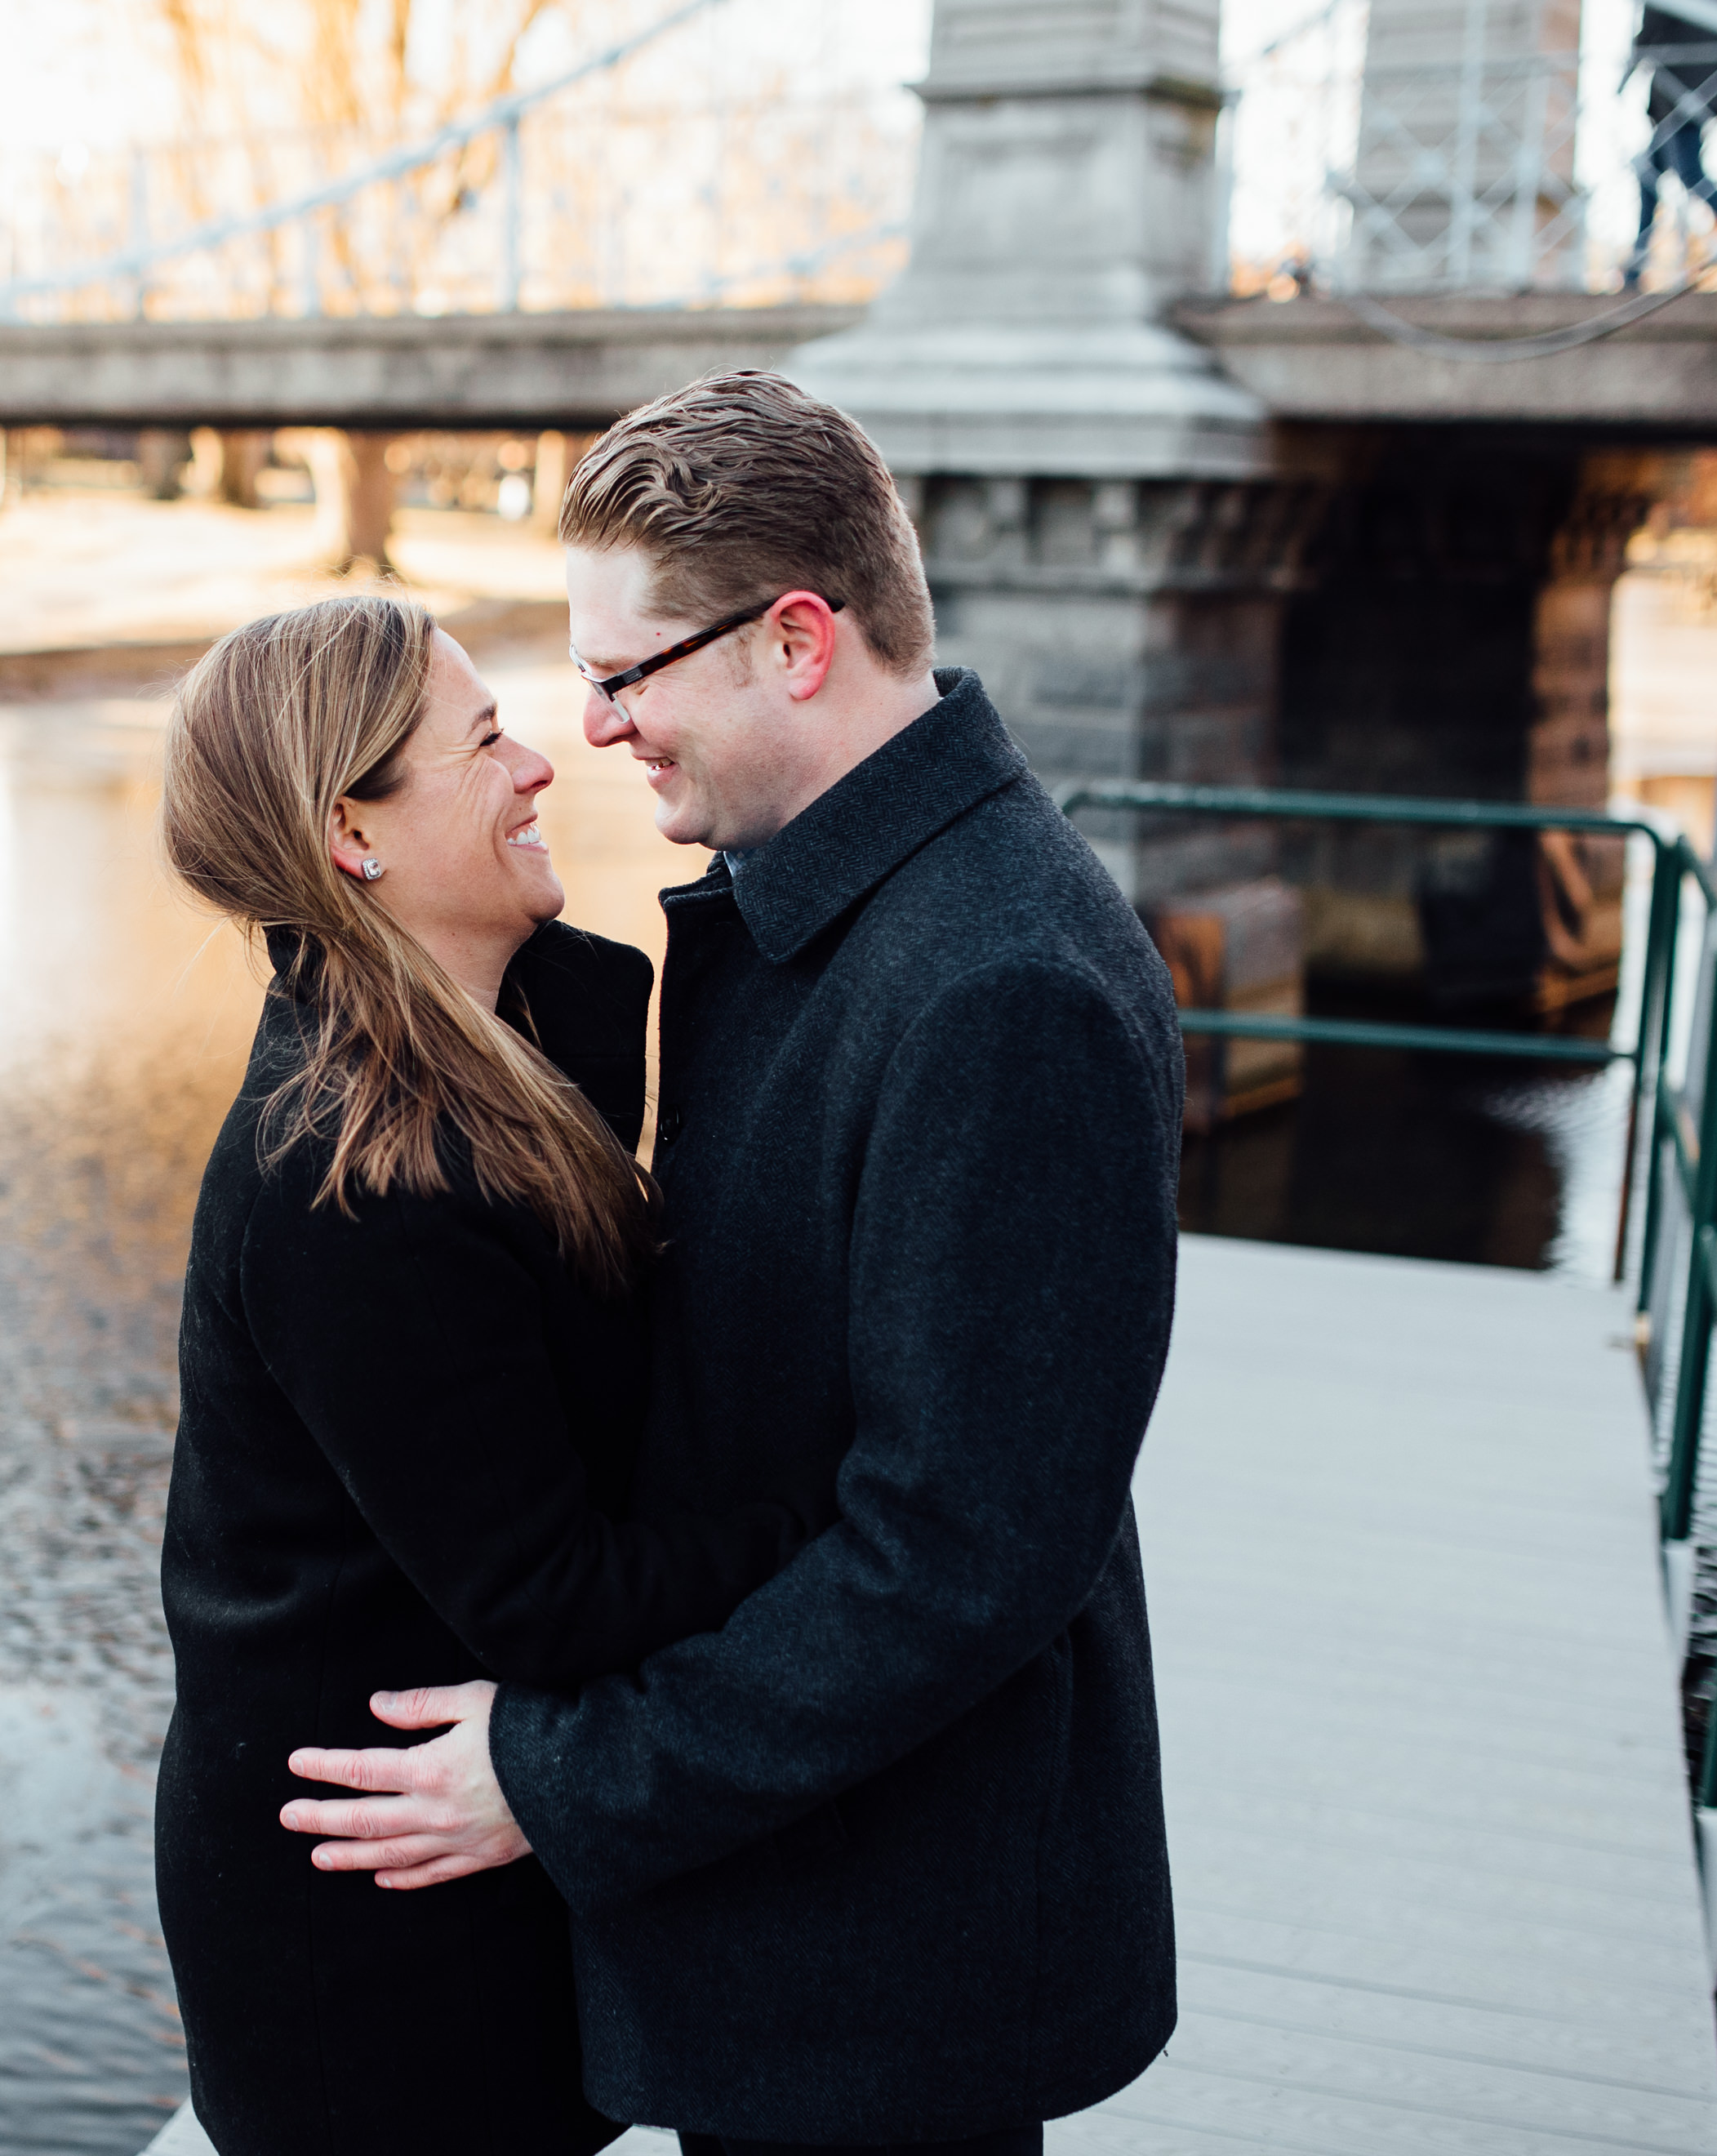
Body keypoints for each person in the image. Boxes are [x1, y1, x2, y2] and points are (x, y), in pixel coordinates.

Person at [280, 372, 1187, 2154]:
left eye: (626, 675)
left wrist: (558, 1775)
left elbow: (962, 1562)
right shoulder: (846, 908)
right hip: (807, 1891)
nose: (594, 728)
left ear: (793, 642)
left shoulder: (1005, 989)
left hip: (889, 1944)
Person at [153, 595, 821, 2156]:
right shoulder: (350, 1180)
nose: (541, 764)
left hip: (448, 1851)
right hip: (368, 1938)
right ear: (350, 834)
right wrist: (847, 1522)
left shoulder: (475, 1062)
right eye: (482, 742)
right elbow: (554, 1593)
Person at [1625, 0, 1717, 289]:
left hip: (1683, 80)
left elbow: (1655, 20)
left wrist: (1629, 66)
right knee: (1650, 170)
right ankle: (1634, 268)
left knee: (1688, 171)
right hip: (1705, 78)